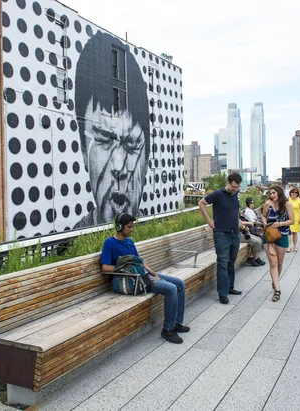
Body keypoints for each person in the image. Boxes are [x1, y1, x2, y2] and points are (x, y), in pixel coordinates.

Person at [74, 32, 150, 229]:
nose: (119, 166)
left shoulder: (151, 227)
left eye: (131, 145)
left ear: (146, 160)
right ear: (84, 152)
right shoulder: (71, 240)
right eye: (105, 140)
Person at [101, 213, 190, 344]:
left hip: (143, 275)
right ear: (119, 227)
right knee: (171, 289)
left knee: (179, 283)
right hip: (133, 280)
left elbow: (140, 262)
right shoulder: (109, 243)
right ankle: (167, 330)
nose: (132, 230)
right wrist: (124, 267)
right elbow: (105, 268)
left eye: (132, 227)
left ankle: (177, 323)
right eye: (129, 227)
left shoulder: (129, 242)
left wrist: (154, 274)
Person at [198, 173, 243, 305]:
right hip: (222, 234)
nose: (236, 189)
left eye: (238, 187)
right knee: (222, 262)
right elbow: (201, 203)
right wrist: (209, 221)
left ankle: (230, 287)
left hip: (235, 234)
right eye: (234, 186)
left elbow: (233, 212)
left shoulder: (236, 195)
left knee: (231, 262)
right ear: (228, 183)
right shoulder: (218, 194)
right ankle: (222, 293)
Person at [262, 185, 295, 302]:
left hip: (282, 235)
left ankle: (275, 281)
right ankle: (277, 289)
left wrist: (280, 224)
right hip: (269, 236)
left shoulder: (287, 205)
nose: (272, 195)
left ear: (279, 193)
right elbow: (263, 216)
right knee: (273, 263)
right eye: (270, 193)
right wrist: (265, 224)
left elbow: (292, 220)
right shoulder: (267, 204)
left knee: (279, 263)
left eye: (273, 193)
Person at [240, 198, 266, 266]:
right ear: (248, 203)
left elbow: (240, 222)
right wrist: (245, 226)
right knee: (257, 241)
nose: (253, 204)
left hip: (246, 230)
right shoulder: (247, 211)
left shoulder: (252, 210)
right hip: (245, 231)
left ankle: (254, 257)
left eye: (253, 202)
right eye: (251, 203)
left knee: (259, 240)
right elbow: (252, 221)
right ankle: (252, 258)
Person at [287, 187, 300, 252]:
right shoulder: (288, 200)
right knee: (289, 233)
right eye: (293, 192)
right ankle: (288, 246)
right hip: (289, 218)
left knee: (295, 233)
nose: (294, 194)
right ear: (290, 193)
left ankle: (295, 246)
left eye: (296, 192)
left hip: (296, 218)